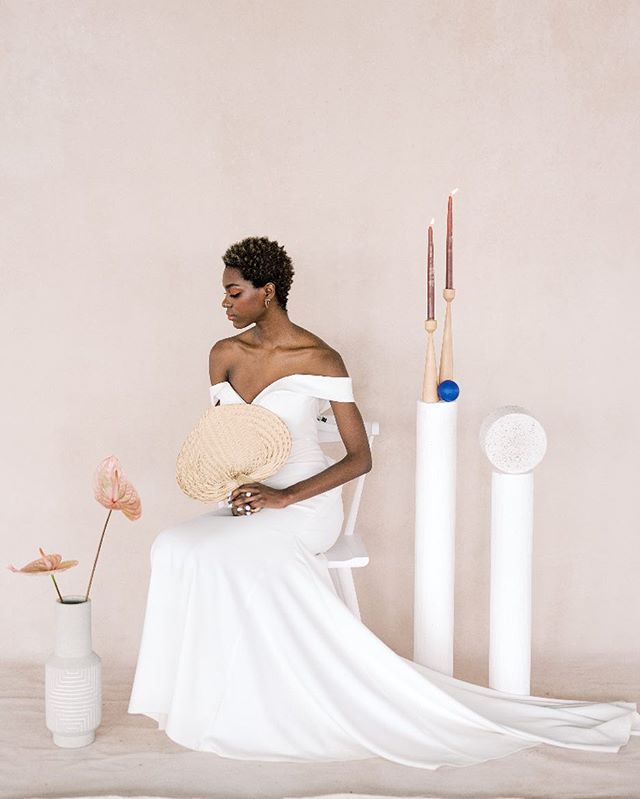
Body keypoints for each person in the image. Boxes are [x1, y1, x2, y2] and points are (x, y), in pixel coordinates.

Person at [128, 236, 640, 769]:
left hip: (303, 503)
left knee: (228, 556)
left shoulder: (320, 359)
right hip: (252, 497)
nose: (225, 304)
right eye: (224, 294)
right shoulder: (223, 355)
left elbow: (359, 458)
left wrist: (283, 497)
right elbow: (226, 437)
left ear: (268, 291)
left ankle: (273, 700)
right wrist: (235, 486)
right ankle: (212, 698)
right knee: (174, 545)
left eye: (234, 292)